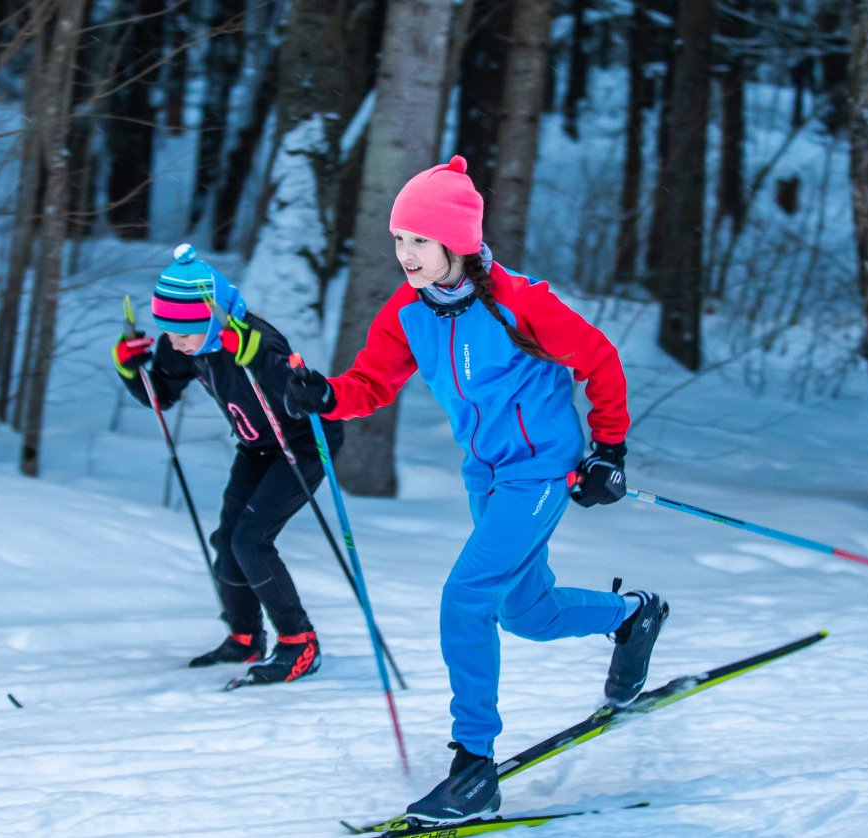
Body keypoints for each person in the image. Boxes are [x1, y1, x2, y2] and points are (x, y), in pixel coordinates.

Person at [281, 157, 668, 824]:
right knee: (527, 614)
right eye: (399, 238)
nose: (406, 254)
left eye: (420, 241)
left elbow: (599, 358)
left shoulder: (519, 302)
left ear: (456, 242)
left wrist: (610, 449)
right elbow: (371, 384)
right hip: (483, 472)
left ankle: (473, 766)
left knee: (467, 597)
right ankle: (632, 615)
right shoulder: (408, 311)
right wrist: (327, 396)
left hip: (542, 471)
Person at [114, 244, 344, 686]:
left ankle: (300, 644)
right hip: (257, 447)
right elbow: (159, 396)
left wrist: (258, 357)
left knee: (252, 541)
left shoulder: (256, 339)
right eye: (168, 331)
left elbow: (298, 397)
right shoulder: (181, 344)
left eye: (184, 332)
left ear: (211, 321)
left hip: (302, 445)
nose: (176, 342)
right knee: (228, 538)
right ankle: (244, 637)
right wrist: (132, 370)